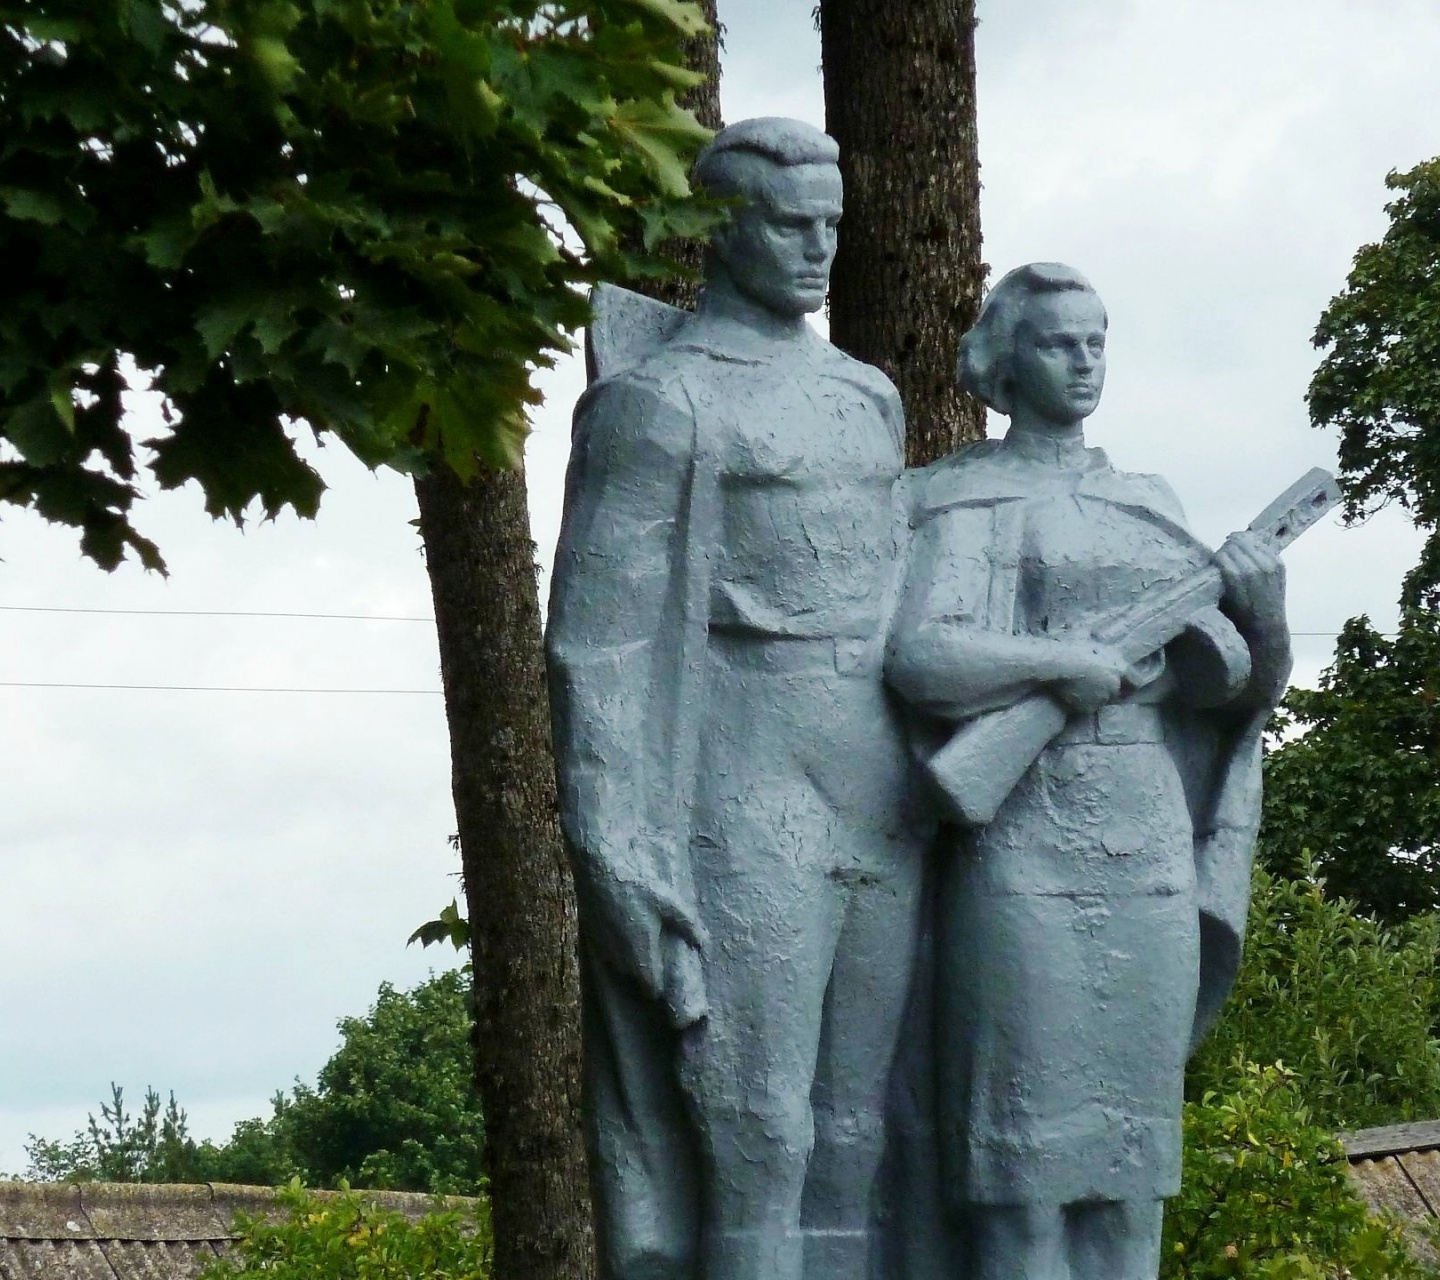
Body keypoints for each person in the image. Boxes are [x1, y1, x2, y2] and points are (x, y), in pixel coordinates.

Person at [546, 118, 931, 1280]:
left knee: (859, 1134)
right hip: (742, 796)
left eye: (831, 223)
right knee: (757, 1131)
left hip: (881, 794)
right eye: (789, 223)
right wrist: (618, 852)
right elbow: (597, 651)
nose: (819, 247)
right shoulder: (661, 404)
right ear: (721, 229)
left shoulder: (868, 395)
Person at [883, 263, 1291, 1280]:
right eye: (1060, 341)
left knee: (1128, 1174)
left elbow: (1235, 694)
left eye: (1097, 340)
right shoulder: (957, 495)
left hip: (1145, 839)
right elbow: (922, 657)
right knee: (1021, 1182)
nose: (1084, 360)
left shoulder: (1149, 503)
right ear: (1005, 359)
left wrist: (1265, 612)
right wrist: (1062, 665)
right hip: (1018, 840)